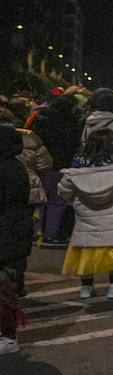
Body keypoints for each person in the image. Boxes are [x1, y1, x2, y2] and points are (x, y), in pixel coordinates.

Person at [58, 129, 113, 300]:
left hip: (87, 216)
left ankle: (86, 287)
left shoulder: (78, 167)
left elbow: (64, 191)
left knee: (87, 249)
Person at [34, 93, 83, 246]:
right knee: (56, 202)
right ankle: (50, 234)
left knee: (40, 201)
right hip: (60, 167)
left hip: (39, 166)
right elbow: (73, 146)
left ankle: (36, 234)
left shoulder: (40, 121)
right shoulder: (69, 125)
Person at [0, 127, 32, 355]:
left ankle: (8, 335)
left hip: (8, 231)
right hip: (15, 228)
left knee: (5, 287)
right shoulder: (15, 165)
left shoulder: (6, 168)